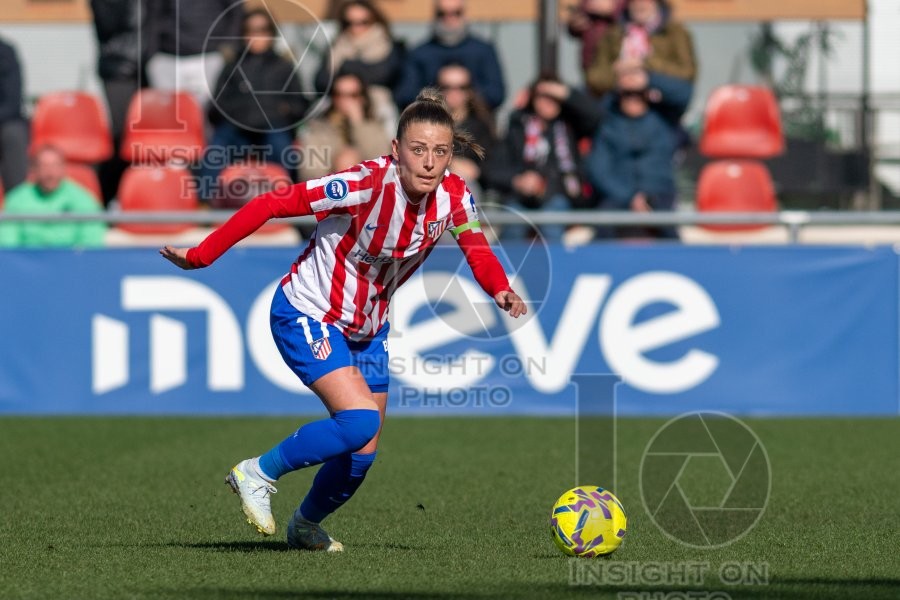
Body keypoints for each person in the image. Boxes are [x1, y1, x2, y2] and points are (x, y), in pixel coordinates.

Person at [159, 88, 526, 551]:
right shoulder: (363, 184)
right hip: (308, 311)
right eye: (418, 150)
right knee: (358, 423)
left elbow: (477, 249)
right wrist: (202, 255)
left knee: (362, 455)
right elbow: (273, 203)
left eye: (440, 151)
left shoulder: (454, 195)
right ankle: (257, 472)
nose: (430, 163)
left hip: (369, 329)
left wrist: (500, 289)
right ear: (396, 150)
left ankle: (305, 524)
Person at [200, 9, 309, 202]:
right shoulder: (232, 65)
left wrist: (281, 111)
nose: (256, 36)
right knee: (216, 149)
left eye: (262, 30)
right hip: (237, 130)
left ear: (271, 34)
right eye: (250, 30)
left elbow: (299, 105)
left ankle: (292, 204)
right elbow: (217, 104)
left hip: (272, 129)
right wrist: (240, 113)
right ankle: (205, 205)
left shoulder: (283, 66)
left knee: (283, 149)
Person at [483, 76, 601, 241]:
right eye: (543, 96)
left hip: (560, 195)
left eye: (555, 97)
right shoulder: (517, 126)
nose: (549, 102)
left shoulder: (570, 124)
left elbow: (596, 116)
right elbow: (492, 169)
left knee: (551, 219)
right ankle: (509, 267)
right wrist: (518, 180)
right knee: (512, 222)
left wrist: (567, 93)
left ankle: (556, 266)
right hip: (521, 198)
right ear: (533, 98)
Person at [585, 66, 688, 239]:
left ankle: (677, 265)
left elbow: (684, 94)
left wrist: (648, 78)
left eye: (638, 93)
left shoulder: (664, 120)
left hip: (658, 194)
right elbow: (599, 169)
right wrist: (630, 197)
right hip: (618, 195)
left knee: (670, 233)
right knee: (602, 224)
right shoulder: (607, 125)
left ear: (647, 95)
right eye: (627, 94)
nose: (633, 99)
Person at [395, 0, 505, 111]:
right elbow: (404, 96)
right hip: (431, 120)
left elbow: (496, 94)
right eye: (442, 13)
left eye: (456, 13)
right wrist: (438, 97)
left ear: (464, 14)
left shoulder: (483, 51)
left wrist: (466, 96)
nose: (449, 19)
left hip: (475, 123)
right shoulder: (419, 54)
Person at [314, 0, 405, 135]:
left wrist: (346, 65)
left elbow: (385, 74)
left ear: (375, 21)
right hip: (339, 104)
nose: (355, 28)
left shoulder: (389, 46)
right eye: (348, 23)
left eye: (363, 22)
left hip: (378, 107)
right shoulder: (337, 46)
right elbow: (321, 81)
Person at [89, 0, 145, 204]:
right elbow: (111, 23)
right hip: (119, 67)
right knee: (123, 137)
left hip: (151, 63)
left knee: (149, 139)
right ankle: (109, 196)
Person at [585, 0, 696, 100]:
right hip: (619, 99)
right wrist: (617, 71)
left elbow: (687, 73)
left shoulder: (674, 32)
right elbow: (593, 78)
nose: (640, 3)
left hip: (660, 101)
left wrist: (645, 67)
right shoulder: (613, 34)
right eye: (634, 1)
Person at [142, 0, 243, 108]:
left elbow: (235, 11)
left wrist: (229, 43)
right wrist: (151, 53)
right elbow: (152, 14)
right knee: (168, 111)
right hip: (167, 56)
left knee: (203, 111)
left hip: (208, 55)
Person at [0, 146, 106, 248]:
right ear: (33, 169)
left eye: (55, 165)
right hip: (28, 262)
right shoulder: (16, 200)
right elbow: (9, 245)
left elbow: (90, 245)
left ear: (63, 168)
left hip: (70, 261)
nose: (50, 173)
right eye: (44, 166)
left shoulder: (84, 199)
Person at [298, 73, 391, 181]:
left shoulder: (375, 125)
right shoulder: (319, 129)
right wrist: (338, 165)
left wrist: (358, 123)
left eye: (353, 95)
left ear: (362, 98)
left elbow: (384, 164)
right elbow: (310, 174)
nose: (345, 101)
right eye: (339, 94)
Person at [436, 63, 495, 187]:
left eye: (461, 87)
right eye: (447, 87)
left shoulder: (481, 126)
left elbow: (494, 164)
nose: (454, 92)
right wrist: (450, 163)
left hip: (471, 188)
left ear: (470, 91)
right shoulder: (425, 124)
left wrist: (478, 171)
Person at [566, 0, 625, 77]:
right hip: (591, 58)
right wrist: (575, 24)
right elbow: (576, 23)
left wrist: (613, 9)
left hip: (619, 59)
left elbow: (634, 14)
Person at [0, 36, 28, 191]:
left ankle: (16, 202)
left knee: (13, 133)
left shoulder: (5, 52)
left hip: (4, 122)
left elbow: (12, 103)